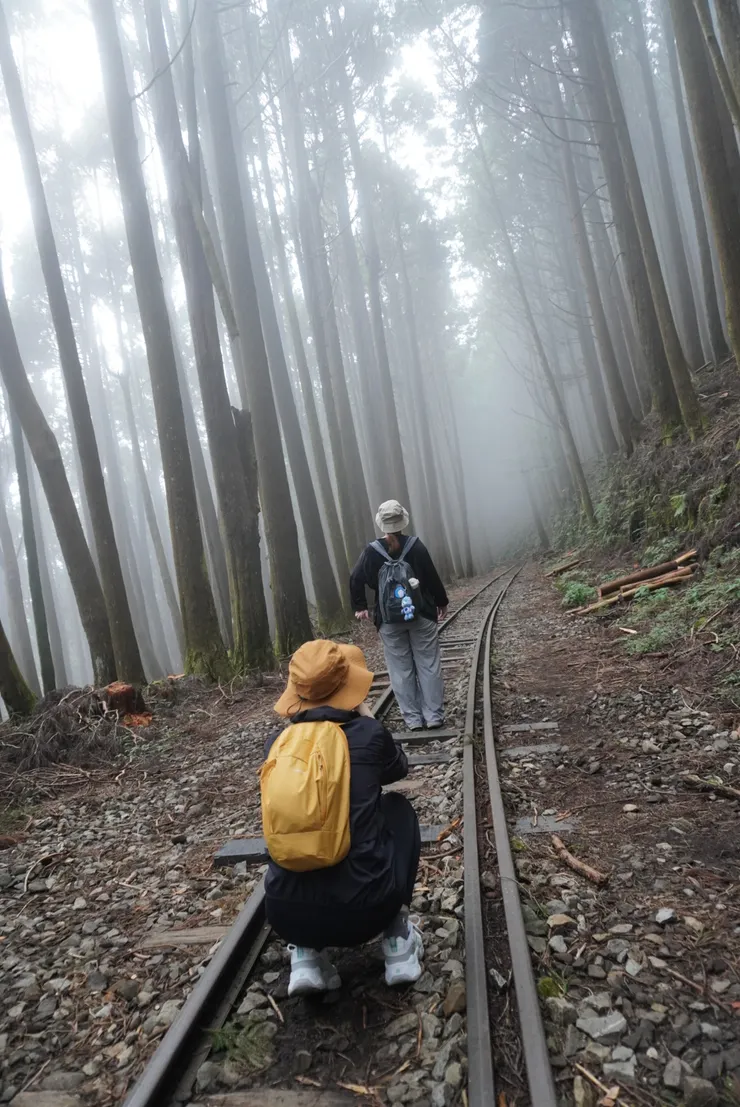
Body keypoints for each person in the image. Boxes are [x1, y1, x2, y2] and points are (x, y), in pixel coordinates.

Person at [262, 639, 424, 997]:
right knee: (397, 809)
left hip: (287, 915)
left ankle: (304, 955)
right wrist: (366, 718)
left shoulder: (278, 744)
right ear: (347, 687)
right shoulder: (367, 734)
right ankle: (397, 941)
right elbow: (398, 768)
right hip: (367, 909)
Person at [350, 499, 449, 732]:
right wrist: (441, 601)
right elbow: (432, 577)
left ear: (382, 524)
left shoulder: (371, 551)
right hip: (421, 615)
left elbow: (355, 578)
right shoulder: (416, 546)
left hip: (388, 620)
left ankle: (413, 719)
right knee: (428, 664)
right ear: (403, 521)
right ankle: (434, 716)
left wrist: (361, 605)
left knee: (400, 669)